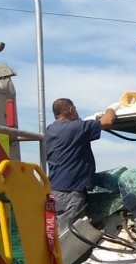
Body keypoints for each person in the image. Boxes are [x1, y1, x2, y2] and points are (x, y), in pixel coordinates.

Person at [46, 98, 116, 229]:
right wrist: (112, 108)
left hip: (54, 191)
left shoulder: (49, 130)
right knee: (70, 236)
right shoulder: (75, 128)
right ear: (71, 110)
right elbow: (108, 121)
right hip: (70, 192)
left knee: (58, 232)